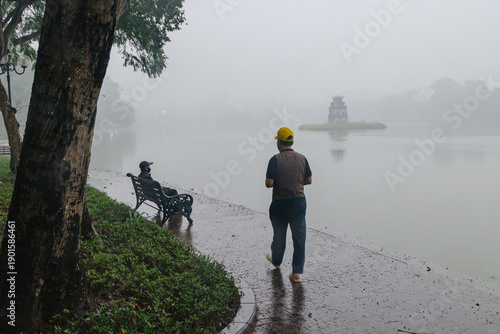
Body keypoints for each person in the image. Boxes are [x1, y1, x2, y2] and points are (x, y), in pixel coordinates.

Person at [265, 127, 312, 283]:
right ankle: (296, 272)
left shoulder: (275, 159)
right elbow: (309, 180)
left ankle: (277, 261)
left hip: (280, 202)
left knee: (279, 235)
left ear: (279, 142)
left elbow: (268, 183)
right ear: (291, 142)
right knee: (299, 237)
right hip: (298, 202)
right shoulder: (302, 158)